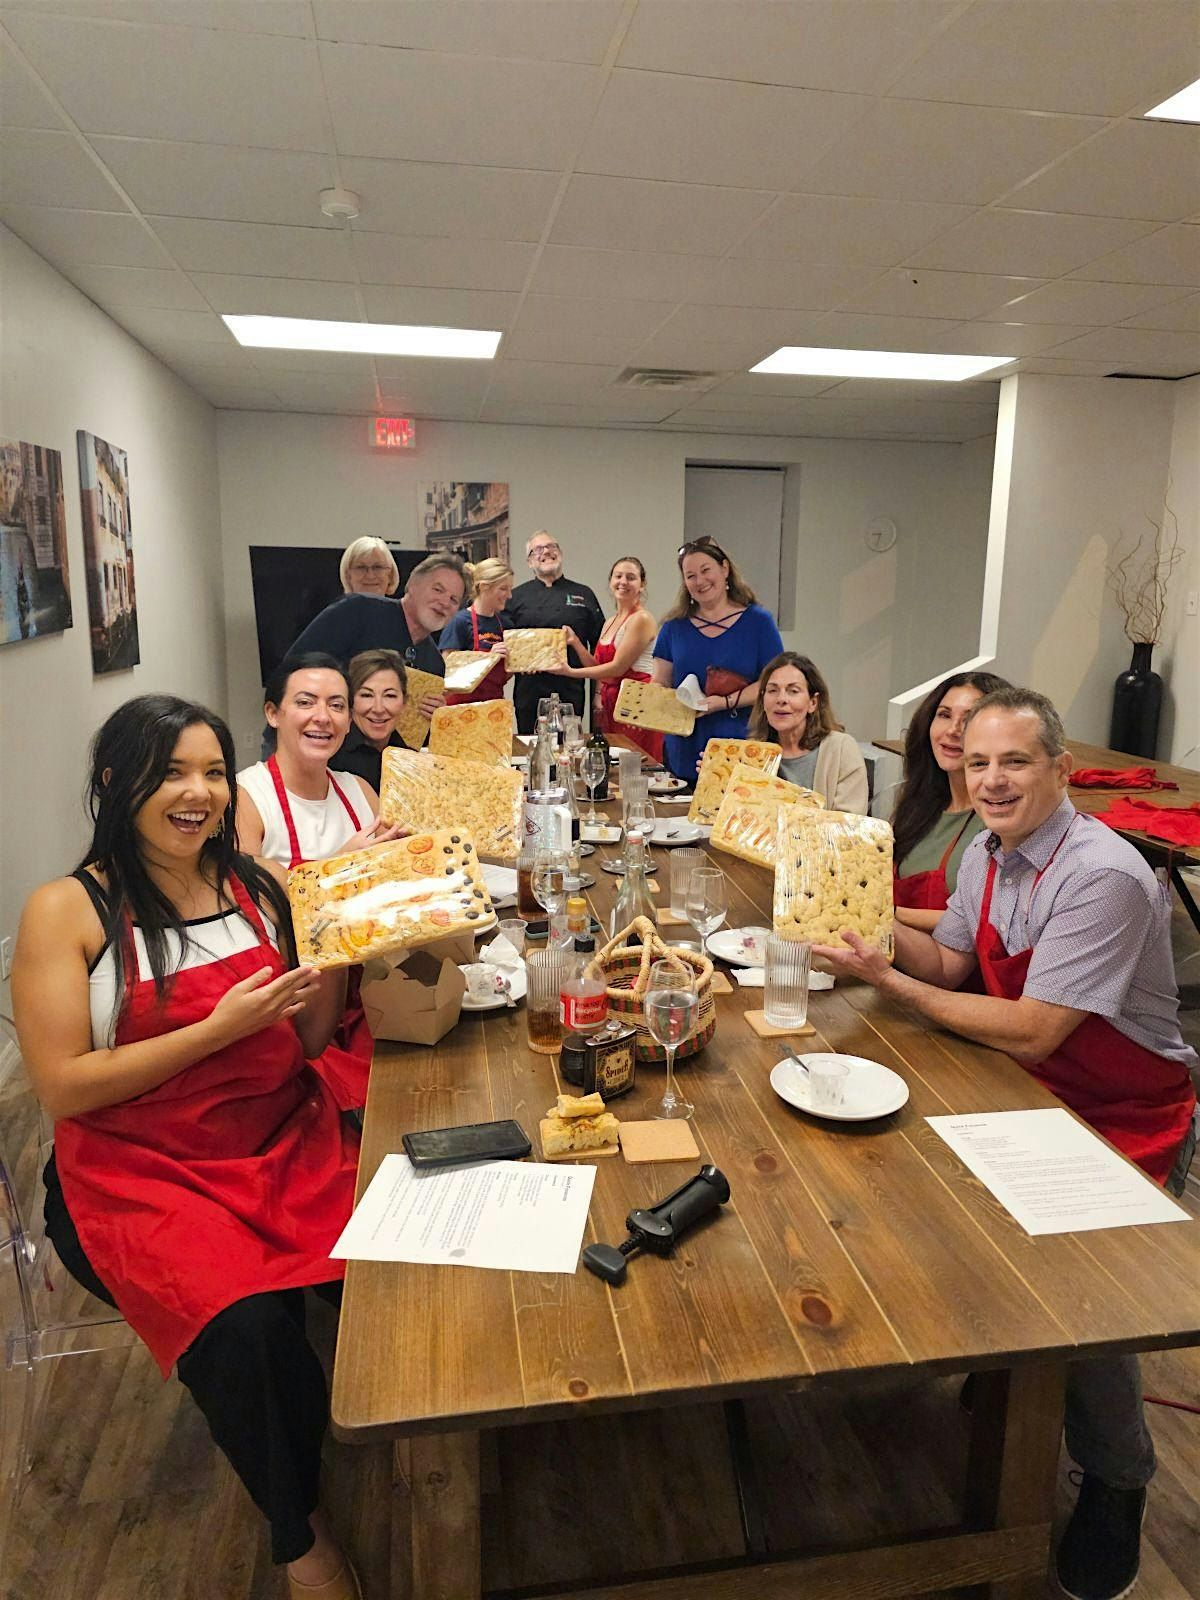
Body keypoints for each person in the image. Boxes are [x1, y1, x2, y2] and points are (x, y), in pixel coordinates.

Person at [814, 686, 1197, 1600]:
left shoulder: (1099, 874)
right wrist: (868, 937)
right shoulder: (988, 854)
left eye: (1014, 761)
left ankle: (1117, 1479)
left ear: (1062, 771)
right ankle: (1010, 1369)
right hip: (1029, 1084)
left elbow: (1033, 1028)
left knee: (1086, 1303)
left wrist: (888, 985)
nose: (991, 780)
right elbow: (950, 960)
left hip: (1122, 1111)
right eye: (978, 762)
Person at [11, 695, 366, 1600]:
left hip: (278, 1138)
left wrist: (348, 953)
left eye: (212, 771)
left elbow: (305, 1043)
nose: (198, 793)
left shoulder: (256, 887)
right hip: (137, 1177)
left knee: (398, 1263)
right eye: (170, 772)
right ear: (110, 782)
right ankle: (301, 1534)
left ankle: (372, 1427)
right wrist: (213, 1031)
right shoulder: (69, 910)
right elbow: (63, 1086)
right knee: (248, 1336)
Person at [238, 654, 404, 1108]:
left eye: (336, 705)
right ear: (273, 713)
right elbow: (248, 902)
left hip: (373, 992)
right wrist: (339, 866)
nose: (322, 717)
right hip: (295, 1009)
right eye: (305, 702)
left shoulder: (359, 790)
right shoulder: (247, 796)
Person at [650, 536, 783, 780]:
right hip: (684, 746)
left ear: (725, 569)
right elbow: (659, 681)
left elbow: (773, 684)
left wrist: (722, 703)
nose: (699, 581)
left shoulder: (758, 622)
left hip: (740, 745)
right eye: (690, 576)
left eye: (705, 570)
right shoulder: (673, 627)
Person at [285, 554, 467, 726]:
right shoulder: (358, 611)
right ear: (412, 585)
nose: (444, 602)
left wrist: (433, 717)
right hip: (310, 742)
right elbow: (295, 667)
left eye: (453, 599)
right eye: (438, 589)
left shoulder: (434, 666)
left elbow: (409, 736)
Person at [892, 669, 1011, 930]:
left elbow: (985, 922)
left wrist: (888, 916)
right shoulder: (918, 805)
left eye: (969, 720)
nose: (953, 730)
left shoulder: (999, 821)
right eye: (944, 715)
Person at [561, 555, 664, 763]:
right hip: (612, 705)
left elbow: (617, 668)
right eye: (618, 576)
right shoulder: (610, 621)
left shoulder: (641, 619)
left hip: (637, 706)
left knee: (636, 766)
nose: (623, 582)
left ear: (642, 585)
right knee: (614, 766)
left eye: (631, 577)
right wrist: (576, 643)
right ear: (610, 582)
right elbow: (600, 667)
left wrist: (570, 672)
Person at [504, 531, 604, 733]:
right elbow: (505, 645)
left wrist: (599, 693)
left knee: (569, 748)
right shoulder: (515, 597)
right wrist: (517, 663)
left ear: (561, 554)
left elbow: (600, 649)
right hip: (529, 691)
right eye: (538, 549)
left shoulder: (584, 594)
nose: (546, 551)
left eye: (552, 546)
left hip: (571, 691)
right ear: (529, 562)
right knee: (530, 748)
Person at [747, 651, 868, 811]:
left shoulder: (841, 749)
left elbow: (851, 824)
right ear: (763, 701)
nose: (781, 699)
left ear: (813, 702)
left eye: (793, 691)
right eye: (772, 690)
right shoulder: (752, 754)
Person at [437, 556, 513, 703]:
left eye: (510, 589)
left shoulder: (505, 625)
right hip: (461, 709)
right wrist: (487, 658)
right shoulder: (459, 622)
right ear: (484, 586)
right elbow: (447, 675)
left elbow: (503, 676)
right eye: (503, 589)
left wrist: (517, 666)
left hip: (493, 707)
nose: (509, 595)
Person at [336, 649, 409, 792]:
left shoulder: (412, 761)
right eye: (366, 695)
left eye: (390, 696)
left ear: (404, 702)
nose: (378, 708)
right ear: (350, 701)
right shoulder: (331, 758)